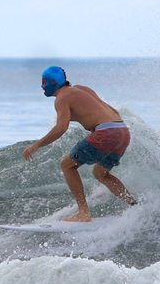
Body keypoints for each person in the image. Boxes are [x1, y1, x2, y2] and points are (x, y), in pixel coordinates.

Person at [22, 65, 136, 222]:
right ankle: (133, 204)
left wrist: (37, 145)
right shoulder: (83, 89)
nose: (42, 86)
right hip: (122, 131)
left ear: (53, 82)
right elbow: (113, 112)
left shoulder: (62, 98)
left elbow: (61, 128)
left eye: (44, 82)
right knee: (101, 173)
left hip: (106, 132)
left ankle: (83, 212)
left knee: (67, 165)